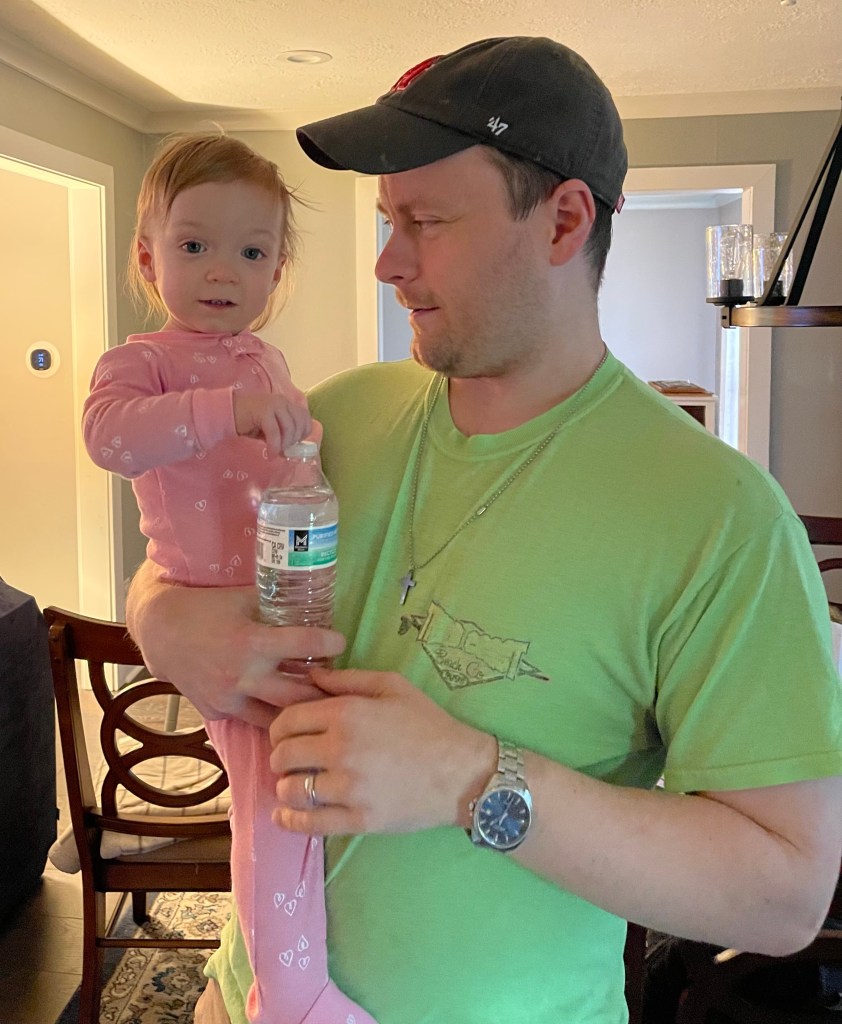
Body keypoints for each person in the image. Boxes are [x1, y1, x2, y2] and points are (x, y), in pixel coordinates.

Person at [126, 38, 842, 1024]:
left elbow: (784, 893)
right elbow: (178, 562)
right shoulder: (334, 418)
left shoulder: (721, 517)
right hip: (244, 997)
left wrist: (471, 779)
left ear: (564, 221)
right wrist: (159, 618)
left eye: (424, 222)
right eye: (388, 221)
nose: (387, 262)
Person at [83, 132, 375, 1024]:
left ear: (277, 269)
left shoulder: (264, 361)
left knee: (309, 789)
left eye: (252, 252)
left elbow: (285, 474)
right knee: (270, 811)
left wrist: (301, 449)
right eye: (194, 244)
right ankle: (291, 997)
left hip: (286, 598)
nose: (223, 270)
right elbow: (110, 437)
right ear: (148, 257)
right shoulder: (143, 360)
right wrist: (228, 412)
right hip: (216, 619)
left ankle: (299, 969)